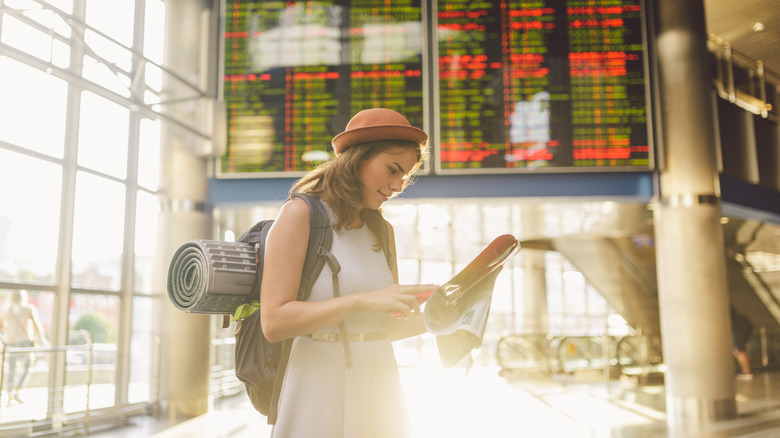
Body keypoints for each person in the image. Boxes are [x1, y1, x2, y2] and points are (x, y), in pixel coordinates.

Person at [260, 108, 438, 437]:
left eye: (405, 177)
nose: (397, 186)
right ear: (356, 159)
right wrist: (361, 301)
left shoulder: (382, 231)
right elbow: (274, 322)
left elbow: (384, 327)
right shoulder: (300, 214)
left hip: (379, 383)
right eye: (392, 169)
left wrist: (445, 314)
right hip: (316, 383)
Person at [1, 290, 47, 404]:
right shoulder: (28, 309)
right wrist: (41, 339)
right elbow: (36, 324)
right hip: (25, 342)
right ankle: (17, 391)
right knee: (27, 367)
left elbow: (1, 326)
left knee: (11, 370)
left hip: (10, 342)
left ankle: (9, 395)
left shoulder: (6, 311)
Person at [730, 306, 753, 380]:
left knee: (739, 349)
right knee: (736, 350)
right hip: (742, 326)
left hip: (740, 328)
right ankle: (745, 371)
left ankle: (747, 372)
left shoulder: (722, 306)